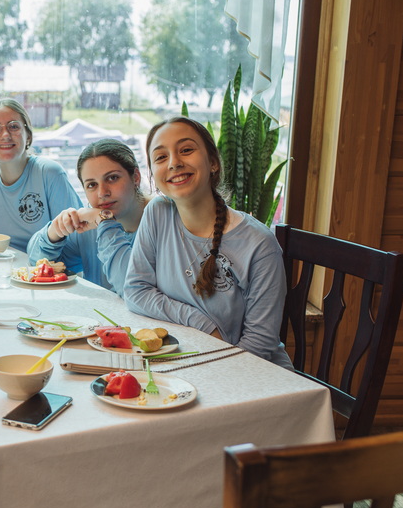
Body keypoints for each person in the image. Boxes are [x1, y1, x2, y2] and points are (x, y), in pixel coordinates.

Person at [125, 116, 292, 368]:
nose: (174, 163)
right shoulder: (157, 213)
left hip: (251, 371)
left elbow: (260, 344)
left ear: (213, 162)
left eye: (186, 150)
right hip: (189, 361)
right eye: (161, 157)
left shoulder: (259, 244)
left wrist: (207, 368)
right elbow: (136, 290)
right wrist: (203, 324)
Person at [26, 139, 148, 295]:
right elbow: (37, 263)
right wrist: (54, 233)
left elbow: (133, 290)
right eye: (92, 185)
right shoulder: (90, 225)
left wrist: (104, 221)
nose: (102, 193)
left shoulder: (163, 220)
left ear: (136, 177)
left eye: (112, 178)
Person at [0, 98, 83, 252]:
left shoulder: (49, 173)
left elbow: (77, 241)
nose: (5, 135)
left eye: (14, 126)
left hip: (49, 265)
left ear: (28, 135)